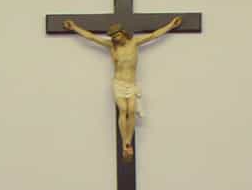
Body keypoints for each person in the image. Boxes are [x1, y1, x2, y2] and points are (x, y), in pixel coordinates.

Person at [61, 16, 184, 159]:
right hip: (119, 83)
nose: (116, 38)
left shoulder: (134, 42)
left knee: (131, 111)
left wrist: (170, 25)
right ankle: (124, 142)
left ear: (123, 33)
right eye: (113, 36)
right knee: (123, 109)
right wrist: (74, 27)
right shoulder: (112, 46)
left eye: (117, 35)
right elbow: (92, 38)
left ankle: (128, 141)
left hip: (131, 84)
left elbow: (153, 35)